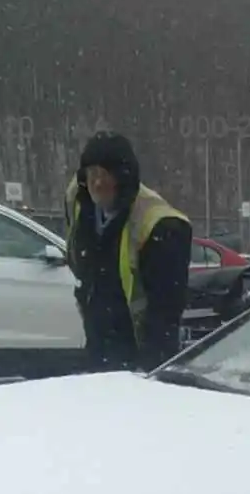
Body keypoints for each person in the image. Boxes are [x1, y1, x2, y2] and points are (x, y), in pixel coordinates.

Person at [64, 132, 192, 371]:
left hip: (138, 354)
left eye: (105, 175)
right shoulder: (79, 201)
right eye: (92, 174)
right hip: (98, 344)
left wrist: (150, 371)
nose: (97, 183)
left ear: (123, 178)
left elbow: (164, 313)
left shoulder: (159, 226)